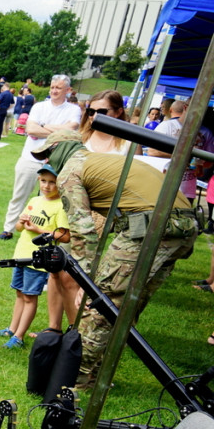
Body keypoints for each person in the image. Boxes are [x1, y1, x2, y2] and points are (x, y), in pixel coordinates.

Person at [30, 130, 199, 388]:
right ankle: (102, 377)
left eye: (49, 154)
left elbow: (83, 231)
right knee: (127, 307)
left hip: (151, 227)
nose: (48, 163)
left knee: (99, 305)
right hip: (184, 226)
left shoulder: (70, 171)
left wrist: (85, 282)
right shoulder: (100, 162)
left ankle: (77, 382)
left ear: (61, 149)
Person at [0, 164, 69, 349]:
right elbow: (18, 227)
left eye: (52, 182)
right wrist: (22, 223)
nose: (46, 186)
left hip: (38, 260)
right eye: (43, 181)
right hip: (21, 255)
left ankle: (19, 337)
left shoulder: (60, 206)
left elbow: (65, 235)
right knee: (19, 293)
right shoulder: (35, 200)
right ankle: (11, 329)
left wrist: (38, 230)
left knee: (30, 297)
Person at [0, 75, 79, 240]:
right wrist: (56, 131)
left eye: (59, 88)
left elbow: (71, 131)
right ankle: (9, 228)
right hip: (30, 158)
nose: (54, 90)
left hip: (55, 161)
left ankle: (41, 230)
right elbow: (31, 129)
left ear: (68, 90)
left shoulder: (73, 110)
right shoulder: (39, 106)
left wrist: (43, 127)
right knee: (19, 195)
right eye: (53, 87)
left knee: (48, 198)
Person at [80, 89, 129, 154]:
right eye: (91, 111)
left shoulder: (129, 145)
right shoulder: (78, 138)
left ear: (118, 112)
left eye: (101, 112)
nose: (95, 116)